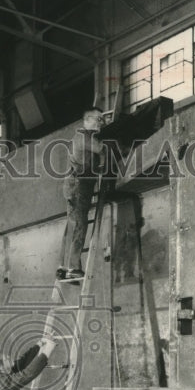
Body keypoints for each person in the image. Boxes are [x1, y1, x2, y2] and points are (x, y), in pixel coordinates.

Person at [58, 107, 106, 281]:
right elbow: (102, 149)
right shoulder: (84, 137)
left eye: (102, 119)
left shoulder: (83, 136)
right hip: (79, 186)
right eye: (98, 119)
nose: (101, 122)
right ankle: (73, 268)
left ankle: (63, 267)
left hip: (74, 185)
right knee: (79, 225)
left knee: (73, 226)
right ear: (87, 120)